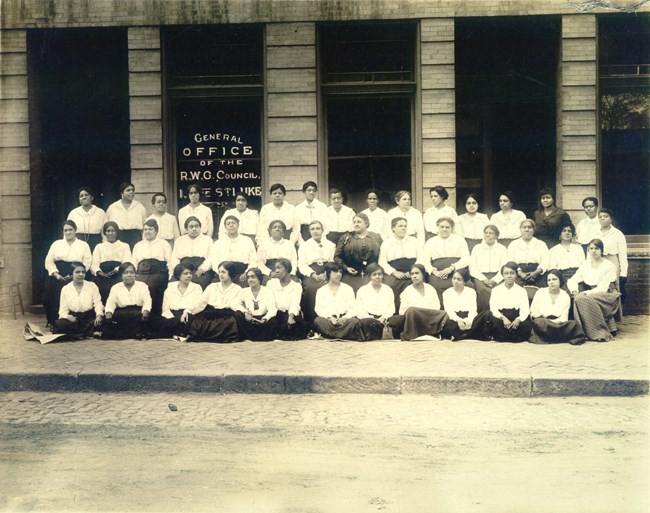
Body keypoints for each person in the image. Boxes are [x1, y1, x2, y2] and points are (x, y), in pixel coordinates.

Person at [568, 239, 621, 342]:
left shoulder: (609, 265)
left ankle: (598, 332)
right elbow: (573, 279)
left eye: (596, 248)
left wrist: (584, 293)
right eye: (591, 248)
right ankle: (585, 331)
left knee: (581, 299)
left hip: (608, 294)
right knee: (579, 298)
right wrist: (574, 290)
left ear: (601, 250)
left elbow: (603, 287)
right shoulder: (586, 264)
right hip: (592, 293)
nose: (593, 251)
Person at [44, 220, 92, 325]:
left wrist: (75, 275)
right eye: (65, 230)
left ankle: (74, 320)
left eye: (70, 229)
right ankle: (54, 321)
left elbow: (87, 262)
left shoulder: (83, 245)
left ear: (75, 230)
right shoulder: (57, 244)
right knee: (50, 292)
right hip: (58, 274)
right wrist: (56, 274)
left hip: (76, 274)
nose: (68, 232)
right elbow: (49, 261)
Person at [387, 263, 448, 341]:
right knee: (412, 310)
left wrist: (424, 312)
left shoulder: (430, 288)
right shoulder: (407, 291)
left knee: (443, 313)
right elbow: (402, 311)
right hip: (415, 320)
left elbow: (436, 306)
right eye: (412, 274)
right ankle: (414, 334)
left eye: (417, 273)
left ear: (422, 274)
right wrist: (418, 313)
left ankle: (434, 333)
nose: (414, 276)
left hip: (429, 319)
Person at [185, 262, 244, 342]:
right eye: (219, 272)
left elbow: (237, 305)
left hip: (226, 315)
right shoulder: (212, 286)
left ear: (230, 273)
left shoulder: (237, 289)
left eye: (223, 272)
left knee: (230, 323)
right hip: (211, 313)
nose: (220, 274)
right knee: (197, 322)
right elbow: (201, 301)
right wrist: (188, 310)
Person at [421, 216, 471, 303]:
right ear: (438, 227)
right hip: (438, 271)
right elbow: (425, 261)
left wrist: (452, 268)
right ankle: (441, 313)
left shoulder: (459, 240)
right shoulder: (431, 242)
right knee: (434, 286)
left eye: (447, 227)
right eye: (442, 227)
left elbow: (466, 258)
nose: (444, 229)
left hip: (457, 270)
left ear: (452, 228)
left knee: (467, 285)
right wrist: (434, 272)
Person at [529, 269, 585, 345]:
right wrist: (546, 321)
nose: (551, 282)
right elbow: (533, 312)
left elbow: (564, 318)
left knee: (574, 324)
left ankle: (550, 337)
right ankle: (557, 337)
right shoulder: (540, 292)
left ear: (560, 280)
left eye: (554, 279)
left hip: (558, 324)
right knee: (539, 322)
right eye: (549, 280)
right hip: (544, 322)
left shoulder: (565, 296)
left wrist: (553, 323)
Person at [148, 263, 202, 340]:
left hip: (188, 316)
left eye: (190, 273)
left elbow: (198, 306)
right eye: (185, 273)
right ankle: (178, 331)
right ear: (179, 275)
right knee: (157, 319)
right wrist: (172, 319)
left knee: (191, 321)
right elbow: (165, 309)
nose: (189, 276)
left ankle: (172, 331)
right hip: (173, 316)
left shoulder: (197, 288)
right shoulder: (170, 290)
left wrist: (186, 313)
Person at [379, 217, 421, 313]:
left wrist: (412, 271)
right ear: (393, 228)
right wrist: (394, 272)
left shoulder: (414, 241)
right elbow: (382, 262)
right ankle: (396, 315)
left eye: (405, 226)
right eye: (400, 226)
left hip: (412, 270)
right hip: (395, 272)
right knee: (391, 285)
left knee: (416, 284)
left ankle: (414, 314)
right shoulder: (387, 243)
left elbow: (421, 258)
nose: (403, 228)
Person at [313, 262, 363, 341]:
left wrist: (345, 318)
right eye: (335, 272)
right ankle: (343, 335)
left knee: (354, 322)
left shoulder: (348, 289)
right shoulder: (321, 291)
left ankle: (331, 336)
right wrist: (330, 318)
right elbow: (319, 308)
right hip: (330, 322)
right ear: (328, 273)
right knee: (319, 321)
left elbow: (353, 308)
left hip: (344, 322)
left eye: (340, 272)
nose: (339, 274)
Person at [52, 262, 104, 339]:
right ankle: (87, 333)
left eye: (83, 272)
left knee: (104, 321)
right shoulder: (66, 289)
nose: (81, 274)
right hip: (74, 319)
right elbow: (62, 310)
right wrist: (68, 317)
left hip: (89, 318)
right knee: (59, 323)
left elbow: (98, 303)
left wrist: (99, 315)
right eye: (77, 272)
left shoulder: (92, 286)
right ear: (71, 274)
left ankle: (78, 334)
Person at [297, 220, 336, 322]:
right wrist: (313, 274)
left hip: (327, 270)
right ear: (309, 231)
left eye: (318, 228)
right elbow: (301, 264)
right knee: (311, 288)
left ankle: (329, 320)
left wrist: (327, 274)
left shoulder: (331, 245)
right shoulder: (304, 246)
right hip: (311, 271)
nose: (315, 231)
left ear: (323, 230)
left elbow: (333, 261)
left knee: (330, 287)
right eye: (312, 229)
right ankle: (311, 322)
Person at [334, 213, 383, 292]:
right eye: (354, 222)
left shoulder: (376, 237)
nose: (356, 224)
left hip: (370, 274)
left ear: (366, 223)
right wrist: (346, 268)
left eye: (359, 222)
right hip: (350, 273)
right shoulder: (346, 237)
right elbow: (336, 257)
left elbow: (382, 255)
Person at [102, 262, 152, 340]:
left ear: (135, 274)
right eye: (126, 273)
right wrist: (108, 313)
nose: (129, 275)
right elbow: (110, 303)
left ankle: (136, 332)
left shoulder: (142, 286)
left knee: (146, 319)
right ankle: (134, 333)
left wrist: (146, 311)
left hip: (138, 313)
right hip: (122, 313)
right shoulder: (115, 287)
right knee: (111, 322)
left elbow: (147, 301)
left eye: (132, 272)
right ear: (121, 275)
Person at [132, 219, 172, 315]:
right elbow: (133, 262)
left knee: (152, 287)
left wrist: (171, 276)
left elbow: (170, 262)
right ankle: (140, 317)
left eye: (150, 229)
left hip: (158, 272)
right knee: (138, 287)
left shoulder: (164, 244)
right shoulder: (138, 245)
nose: (147, 232)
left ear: (156, 231)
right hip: (141, 273)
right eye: (145, 229)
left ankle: (154, 317)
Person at [488, 261, 533, 342]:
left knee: (527, 325)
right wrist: (503, 318)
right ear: (503, 275)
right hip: (502, 318)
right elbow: (493, 309)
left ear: (516, 275)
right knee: (493, 322)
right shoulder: (495, 290)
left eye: (512, 273)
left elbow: (525, 310)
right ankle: (510, 336)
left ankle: (507, 336)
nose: (509, 276)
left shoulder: (522, 291)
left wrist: (518, 320)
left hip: (516, 318)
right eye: (506, 273)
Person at [441, 269, 490, 341]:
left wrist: (469, 321)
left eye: (459, 279)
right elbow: (449, 311)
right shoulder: (446, 293)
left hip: (469, 319)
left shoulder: (471, 292)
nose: (456, 281)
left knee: (486, 314)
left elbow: (473, 309)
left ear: (464, 282)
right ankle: (471, 334)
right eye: (454, 278)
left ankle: (462, 335)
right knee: (447, 323)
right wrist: (458, 321)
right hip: (455, 320)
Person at [267, 258, 310, 340]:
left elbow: (295, 303)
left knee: (290, 327)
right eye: (275, 268)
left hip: (289, 314)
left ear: (287, 269)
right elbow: (270, 303)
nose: (276, 271)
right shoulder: (271, 284)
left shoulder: (296, 286)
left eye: (279, 268)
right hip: (275, 314)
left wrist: (291, 317)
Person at [209, 215, 258, 286]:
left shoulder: (247, 240)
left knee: (244, 287)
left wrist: (247, 272)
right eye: (228, 224)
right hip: (223, 271)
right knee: (215, 287)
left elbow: (253, 260)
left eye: (233, 223)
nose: (231, 225)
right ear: (225, 227)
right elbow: (214, 260)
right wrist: (221, 273)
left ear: (238, 225)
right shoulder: (219, 242)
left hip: (241, 272)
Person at [507, 219, 549, 301]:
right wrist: (520, 273)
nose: (526, 229)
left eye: (529, 227)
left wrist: (536, 272)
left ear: (533, 229)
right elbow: (510, 261)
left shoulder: (541, 244)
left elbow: (546, 261)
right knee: (514, 292)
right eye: (524, 227)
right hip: (518, 274)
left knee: (544, 293)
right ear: (520, 229)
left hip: (537, 274)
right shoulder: (514, 244)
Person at [91, 221, 132, 303]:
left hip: (118, 274)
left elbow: (126, 262)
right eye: (108, 231)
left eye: (113, 231)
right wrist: (99, 272)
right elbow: (94, 264)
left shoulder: (124, 246)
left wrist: (117, 270)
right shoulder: (99, 246)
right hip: (102, 274)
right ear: (105, 233)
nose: (110, 233)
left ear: (117, 232)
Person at [469, 224, 508, 312]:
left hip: (497, 276)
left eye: (491, 233)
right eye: (486, 233)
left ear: (496, 236)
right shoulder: (477, 248)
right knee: (483, 290)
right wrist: (483, 279)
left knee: (498, 291)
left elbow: (504, 266)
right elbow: (472, 267)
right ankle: (483, 316)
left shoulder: (502, 248)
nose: (488, 235)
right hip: (480, 277)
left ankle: (497, 316)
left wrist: (495, 279)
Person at [234, 268, 278, 341]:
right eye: (248, 277)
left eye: (253, 277)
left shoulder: (268, 291)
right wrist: (245, 312)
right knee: (237, 314)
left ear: (259, 278)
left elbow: (272, 308)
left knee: (273, 321)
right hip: (250, 319)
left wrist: (264, 319)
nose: (250, 280)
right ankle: (252, 337)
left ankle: (256, 338)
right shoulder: (245, 291)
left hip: (262, 320)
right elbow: (236, 304)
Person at [170, 216, 214, 289]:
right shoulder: (179, 240)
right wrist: (179, 270)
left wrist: (203, 269)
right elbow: (175, 257)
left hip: (200, 269)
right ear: (186, 229)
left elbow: (211, 257)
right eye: (191, 227)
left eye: (197, 226)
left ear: (200, 227)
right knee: (173, 284)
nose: (194, 229)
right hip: (183, 268)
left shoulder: (207, 239)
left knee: (200, 283)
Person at [354, 264, 395, 341]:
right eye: (374, 274)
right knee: (367, 322)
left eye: (380, 274)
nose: (377, 277)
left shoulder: (388, 290)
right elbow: (359, 309)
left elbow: (391, 308)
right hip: (368, 319)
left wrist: (384, 317)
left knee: (396, 321)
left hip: (384, 319)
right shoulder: (362, 290)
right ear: (370, 276)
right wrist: (372, 318)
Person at [597, 208, 628, 304]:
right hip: (598, 262)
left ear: (611, 219)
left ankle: (616, 314)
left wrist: (623, 273)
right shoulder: (595, 233)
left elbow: (623, 255)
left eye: (605, 216)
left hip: (612, 262)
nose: (602, 219)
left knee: (613, 288)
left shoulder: (618, 234)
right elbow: (590, 250)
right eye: (600, 217)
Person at [106, 182, 148, 250]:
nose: (131, 192)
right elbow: (108, 224)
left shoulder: (140, 207)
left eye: (132, 190)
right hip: (119, 237)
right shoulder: (113, 207)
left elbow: (144, 225)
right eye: (128, 190)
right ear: (122, 193)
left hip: (135, 237)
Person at [67, 186, 107, 251]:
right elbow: (67, 231)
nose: (84, 197)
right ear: (79, 199)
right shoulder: (73, 213)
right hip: (77, 245)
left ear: (92, 197)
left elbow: (105, 232)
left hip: (96, 245)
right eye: (81, 196)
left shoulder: (100, 212)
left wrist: (105, 246)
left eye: (86, 195)